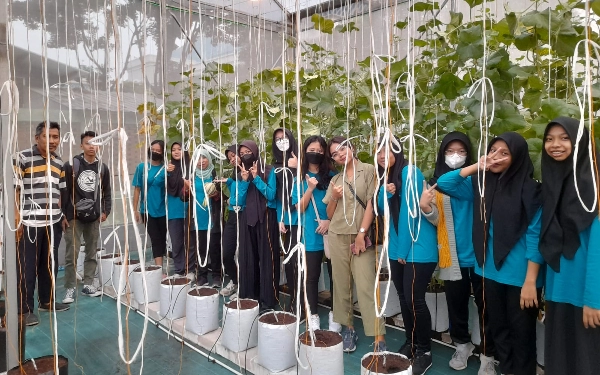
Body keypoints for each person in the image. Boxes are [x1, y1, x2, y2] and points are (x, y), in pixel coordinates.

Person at [437, 132, 543, 375]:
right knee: (499, 330)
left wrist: (531, 281)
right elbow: (444, 183)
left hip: (520, 276)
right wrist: (477, 165)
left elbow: (535, 237)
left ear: (517, 157)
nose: (496, 157)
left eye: (504, 153)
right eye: (493, 150)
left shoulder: (532, 190)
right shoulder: (481, 185)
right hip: (488, 270)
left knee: (523, 334)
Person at [419, 132, 496, 374]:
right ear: (443, 154)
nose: (456, 156)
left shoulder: (481, 181)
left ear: (469, 154)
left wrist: (478, 168)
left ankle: (488, 354)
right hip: (453, 255)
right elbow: (436, 219)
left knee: (487, 306)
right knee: (456, 304)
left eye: (461, 151)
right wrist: (426, 208)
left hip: (482, 254)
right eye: (450, 151)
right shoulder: (434, 182)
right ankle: (462, 345)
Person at [538, 117, 600, 375]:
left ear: (580, 142)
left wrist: (593, 300)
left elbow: (597, 249)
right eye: (550, 139)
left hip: (584, 295)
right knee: (560, 359)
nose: (556, 144)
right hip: (557, 289)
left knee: (586, 361)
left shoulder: (594, 188)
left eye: (565, 138)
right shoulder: (552, 185)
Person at [376, 140, 437, 375]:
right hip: (398, 248)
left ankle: (425, 351)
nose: (382, 155)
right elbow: (381, 210)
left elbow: (410, 213)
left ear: (398, 151)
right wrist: (385, 192)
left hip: (417, 247)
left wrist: (402, 251)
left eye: (387, 150)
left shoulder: (409, 171)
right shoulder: (387, 178)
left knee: (415, 299)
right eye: (378, 151)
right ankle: (411, 342)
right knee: (403, 297)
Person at [323, 136, 386, 353]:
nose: (340, 154)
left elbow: (371, 203)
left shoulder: (368, 170)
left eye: (342, 148)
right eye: (334, 153)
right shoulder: (335, 180)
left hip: (361, 237)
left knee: (367, 285)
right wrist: (333, 197)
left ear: (352, 147)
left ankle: (379, 336)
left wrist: (362, 233)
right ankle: (349, 328)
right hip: (338, 234)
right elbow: (329, 214)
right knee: (341, 285)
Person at [14, 121, 69, 327]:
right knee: (27, 268)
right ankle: (24, 310)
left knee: (49, 265)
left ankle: (46, 301)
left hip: (52, 223)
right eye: (48, 136)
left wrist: (62, 215)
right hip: (29, 223)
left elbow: (59, 193)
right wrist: (16, 219)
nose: (53, 141)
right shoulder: (22, 158)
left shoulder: (59, 162)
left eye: (56, 137)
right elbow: (14, 190)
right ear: (37, 138)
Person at [292, 135, 340, 332]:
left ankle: (335, 314)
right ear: (305, 151)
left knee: (335, 276)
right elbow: (299, 208)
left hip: (333, 231)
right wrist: (310, 188)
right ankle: (312, 314)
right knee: (311, 276)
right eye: (312, 150)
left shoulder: (333, 176)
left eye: (320, 151)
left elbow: (340, 204)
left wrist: (329, 221)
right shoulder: (299, 178)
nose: (316, 154)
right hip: (310, 234)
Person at [62, 131, 112, 303]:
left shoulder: (102, 168)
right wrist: (64, 214)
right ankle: (69, 288)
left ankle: (88, 284)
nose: (92, 146)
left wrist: (105, 211)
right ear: (81, 145)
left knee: (92, 252)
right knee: (72, 254)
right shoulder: (71, 165)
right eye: (88, 143)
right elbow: (64, 191)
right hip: (74, 217)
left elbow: (107, 192)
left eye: (95, 143)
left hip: (93, 217)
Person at [238, 140, 280, 312]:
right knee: (249, 259)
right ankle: (250, 298)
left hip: (266, 219)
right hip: (247, 219)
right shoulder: (239, 173)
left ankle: (268, 300)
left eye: (248, 151)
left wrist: (256, 178)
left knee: (267, 260)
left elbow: (271, 195)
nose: (245, 155)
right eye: (242, 153)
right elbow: (238, 201)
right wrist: (245, 181)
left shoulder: (269, 170)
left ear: (255, 151)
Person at [271, 128, 300, 313]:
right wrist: (279, 218)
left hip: (304, 218)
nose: (282, 141)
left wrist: (296, 167)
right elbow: (277, 196)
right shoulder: (275, 166)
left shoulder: (301, 160)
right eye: (278, 139)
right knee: (289, 262)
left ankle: (305, 301)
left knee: (303, 262)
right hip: (287, 219)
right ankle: (294, 299)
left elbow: (306, 184)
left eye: (285, 138)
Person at [182, 148, 219, 286]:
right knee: (200, 249)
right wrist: (186, 188)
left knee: (215, 249)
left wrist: (215, 194)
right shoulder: (191, 176)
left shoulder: (214, 175)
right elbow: (183, 198)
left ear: (209, 159)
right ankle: (202, 276)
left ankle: (216, 276)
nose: (201, 161)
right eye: (198, 158)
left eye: (204, 158)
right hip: (197, 219)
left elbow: (222, 198)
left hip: (212, 218)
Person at [218, 144, 250, 298]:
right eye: (229, 157)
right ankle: (235, 280)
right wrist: (229, 182)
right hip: (232, 215)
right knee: (227, 253)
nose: (232, 159)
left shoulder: (249, 170)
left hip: (245, 216)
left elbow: (244, 197)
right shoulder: (234, 173)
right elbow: (235, 195)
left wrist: (239, 183)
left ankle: (244, 287)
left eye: (234, 155)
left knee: (244, 254)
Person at [133, 140, 168, 269]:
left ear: (163, 152)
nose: (155, 152)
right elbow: (137, 189)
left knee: (163, 237)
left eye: (158, 150)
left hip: (164, 209)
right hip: (147, 209)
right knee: (155, 238)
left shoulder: (166, 168)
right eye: (153, 149)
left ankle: (162, 263)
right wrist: (135, 209)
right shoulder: (141, 167)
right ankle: (159, 268)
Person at [166, 142, 193, 279]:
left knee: (190, 242)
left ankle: (191, 269)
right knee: (176, 242)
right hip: (174, 210)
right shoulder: (168, 169)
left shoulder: (191, 167)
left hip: (190, 210)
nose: (176, 152)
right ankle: (179, 269)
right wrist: (167, 173)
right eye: (173, 149)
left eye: (179, 149)